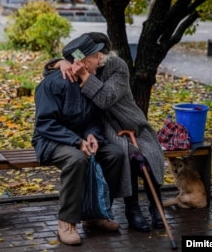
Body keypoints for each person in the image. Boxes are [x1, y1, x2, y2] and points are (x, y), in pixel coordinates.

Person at [44, 32, 165, 233]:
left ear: (101, 55)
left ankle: (157, 207)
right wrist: (59, 63)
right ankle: (132, 209)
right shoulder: (81, 63)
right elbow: (51, 74)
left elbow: (106, 98)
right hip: (104, 126)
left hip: (130, 121)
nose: (81, 62)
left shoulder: (117, 66)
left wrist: (84, 76)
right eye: (78, 59)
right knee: (126, 155)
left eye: (90, 56)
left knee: (148, 153)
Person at [32, 34, 124, 245]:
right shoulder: (53, 83)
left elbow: (93, 119)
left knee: (114, 155)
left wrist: (93, 135)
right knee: (76, 159)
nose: (101, 59)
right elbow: (45, 124)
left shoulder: (89, 81)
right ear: (81, 60)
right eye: (96, 55)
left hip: (80, 140)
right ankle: (66, 222)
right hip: (50, 141)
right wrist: (76, 141)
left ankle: (96, 215)